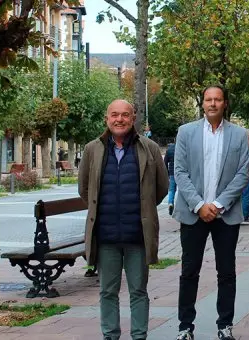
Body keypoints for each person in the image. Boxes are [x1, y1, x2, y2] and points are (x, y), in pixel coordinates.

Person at [78, 99, 169, 340]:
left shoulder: (148, 148)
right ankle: (110, 335)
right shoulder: (92, 149)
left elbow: (161, 188)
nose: (120, 119)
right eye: (115, 115)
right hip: (106, 236)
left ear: (133, 118)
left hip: (137, 235)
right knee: (108, 291)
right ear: (107, 118)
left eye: (125, 115)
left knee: (139, 291)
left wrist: (145, 210)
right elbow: (84, 190)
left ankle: (139, 336)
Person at [172, 85, 249, 340]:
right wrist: (199, 205)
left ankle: (224, 325)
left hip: (224, 214)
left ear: (225, 103)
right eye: (209, 99)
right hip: (193, 213)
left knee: (226, 271)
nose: (213, 104)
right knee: (189, 271)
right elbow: (180, 173)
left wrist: (217, 204)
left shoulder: (239, 135)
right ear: (202, 103)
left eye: (218, 99)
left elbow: (242, 174)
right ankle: (185, 327)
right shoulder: (186, 132)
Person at [164, 142, 177, 215]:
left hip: (172, 173)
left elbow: (165, 162)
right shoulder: (179, 148)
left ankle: (170, 203)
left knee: (172, 190)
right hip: (180, 172)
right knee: (181, 190)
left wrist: (167, 173)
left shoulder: (168, 151)